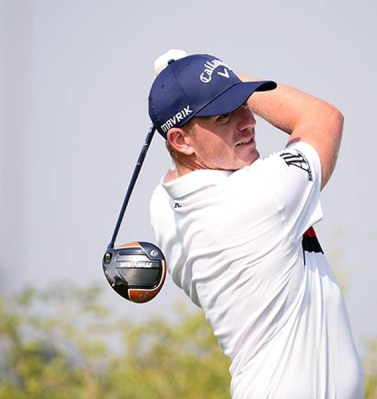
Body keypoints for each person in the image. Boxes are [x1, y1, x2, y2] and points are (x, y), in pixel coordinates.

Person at [148, 50, 364, 399]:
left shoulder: (164, 204)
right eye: (224, 116)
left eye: (243, 105)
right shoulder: (262, 197)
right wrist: (236, 80)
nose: (248, 122)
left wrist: (194, 84)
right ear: (181, 141)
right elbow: (323, 117)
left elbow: (178, 170)